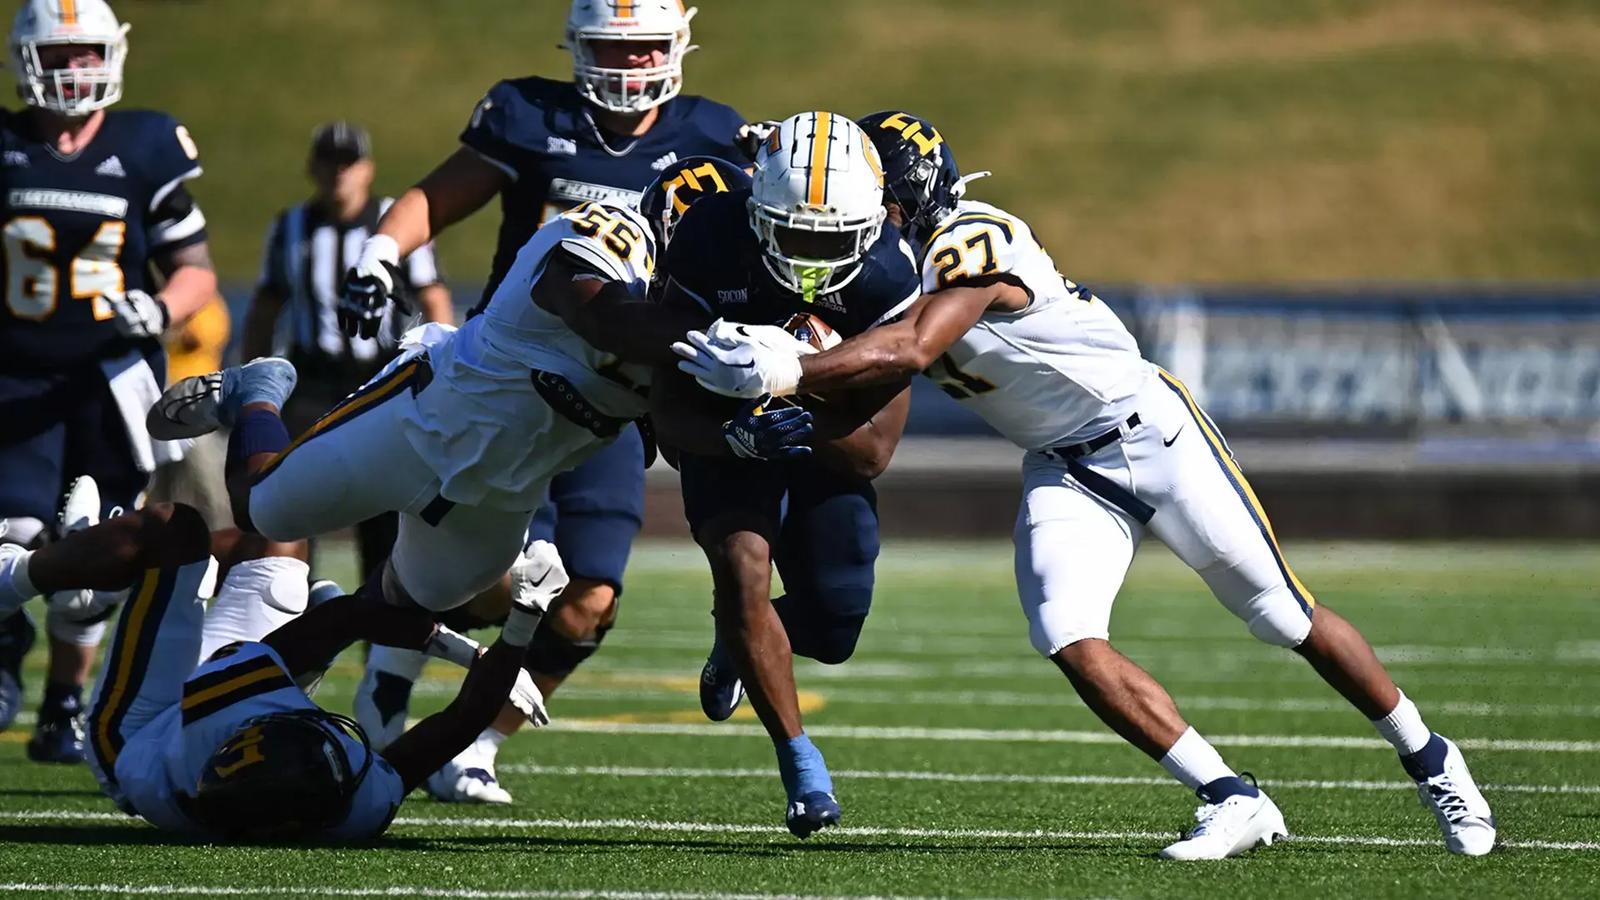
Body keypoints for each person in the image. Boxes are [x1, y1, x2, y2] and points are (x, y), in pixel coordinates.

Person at [673, 111, 1499, 859]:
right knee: (1067, 634)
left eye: (872, 202)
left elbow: (913, 349)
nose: (855, 225)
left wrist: (789, 369)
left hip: (1152, 433)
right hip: (1062, 464)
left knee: (1283, 614)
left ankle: (1431, 758)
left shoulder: (973, 240)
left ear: (903, 201)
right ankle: (1228, 795)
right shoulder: (864, 258)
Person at [336, 0, 753, 804]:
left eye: (644, 51)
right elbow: (437, 194)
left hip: (617, 393)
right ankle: (392, 660)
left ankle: (481, 744)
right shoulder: (529, 113)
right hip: (509, 380)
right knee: (490, 576)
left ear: (678, 47)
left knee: (588, 597)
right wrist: (379, 254)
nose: (628, 67)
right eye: (609, 48)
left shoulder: (713, 134)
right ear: (575, 46)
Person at [0, 483, 561, 842]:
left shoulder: (232, 703)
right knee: (279, 541)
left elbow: (345, 619)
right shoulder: (354, 803)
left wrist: (480, 644)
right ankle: (102, 570)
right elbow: (458, 725)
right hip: (227, 709)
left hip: (135, 735)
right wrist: (514, 628)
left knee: (176, 528)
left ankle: (34, 577)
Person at [648, 116, 917, 838]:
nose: (814, 261)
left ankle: (737, 639)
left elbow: (873, 451)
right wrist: (735, 435)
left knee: (833, 624)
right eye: (796, 236)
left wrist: (792, 391)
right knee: (743, 570)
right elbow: (668, 415)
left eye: (833, 241)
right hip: (726, 433)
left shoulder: (891, 269)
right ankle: (801, 766)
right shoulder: (708, 238)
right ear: (758, 215)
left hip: (826, 431)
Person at [0, 0, 218, 763]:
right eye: (60, 56)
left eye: (87, 53)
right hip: (14, 378)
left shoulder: (145, 143)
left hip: (109, 377)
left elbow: (195, 273)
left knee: (95, 555)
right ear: (28, 61)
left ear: (112, 55)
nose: (75, 70)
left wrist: (157, 308)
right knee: (16, 534)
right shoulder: (7, 145)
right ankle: (7, 639)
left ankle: (64, 702)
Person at [242, 120, 451, 582]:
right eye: (329, 162)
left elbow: (432, 294)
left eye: (348, 163)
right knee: (286, 497)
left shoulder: (393, 224)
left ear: (367, 170)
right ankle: (283, 614)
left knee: (387, 511)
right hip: (309, 380)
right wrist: (254, 378)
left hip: (380, 378)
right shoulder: (291, 227)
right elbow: (265, 305)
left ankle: (384, 633)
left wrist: (446, 372)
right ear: (311, 168)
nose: (339, 173)